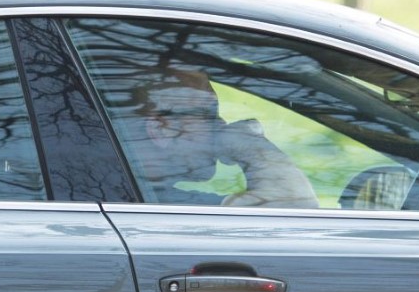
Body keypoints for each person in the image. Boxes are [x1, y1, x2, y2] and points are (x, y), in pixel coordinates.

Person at [119, 67, 319, 209]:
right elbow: (296, 203)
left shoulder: (136, 198)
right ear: (161, 129)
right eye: (209, 114)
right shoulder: (162, 205)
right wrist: (249, 145)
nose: (221, 124)